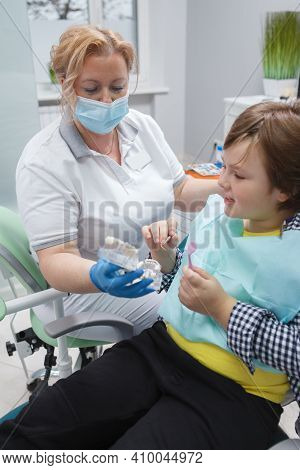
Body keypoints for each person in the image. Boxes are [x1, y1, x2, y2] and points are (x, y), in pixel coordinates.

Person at [2, 100, 300, 450]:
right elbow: (180, 291)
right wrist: (167, 258)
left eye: (239, 175)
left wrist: (225, 310)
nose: (221, 182)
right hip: (159, 350)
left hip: (234, 391)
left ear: (284, 189)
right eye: (224, 167)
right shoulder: (219, 210)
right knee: (33, 427)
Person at [16, 25, 220, 337]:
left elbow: (182, 191)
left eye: (117, 87)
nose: (107, 100)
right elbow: (56, 259)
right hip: (85, 292)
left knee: (221, 293)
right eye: (91, 89)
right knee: (193, 323)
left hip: (153, 268)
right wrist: (99, 276)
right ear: (64, 84)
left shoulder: (141, 126)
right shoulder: (43, 161)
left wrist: (230, 182)